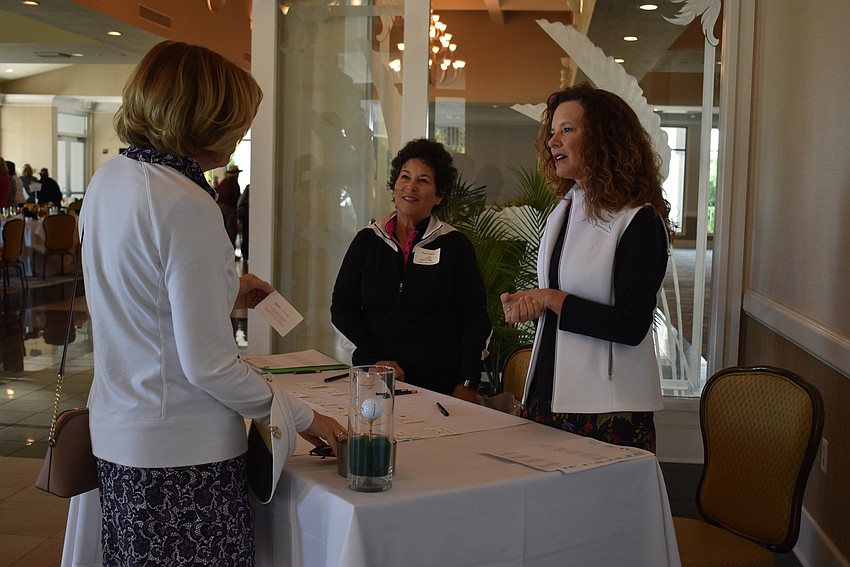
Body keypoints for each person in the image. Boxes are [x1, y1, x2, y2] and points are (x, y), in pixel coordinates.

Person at [77, 40, 345, 566]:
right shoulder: (185, 203)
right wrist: (306, 417)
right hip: (183, 452)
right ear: (202, 118)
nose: (242, 132)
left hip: (121, 434)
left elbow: (136, 296)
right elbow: (209, 365)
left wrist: (223, 290)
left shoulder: (111, 178)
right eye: (236, 120)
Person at [500, 84, 673, 453]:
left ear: (602, 138)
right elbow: (564, 306)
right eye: (552, 133)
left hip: (608, 410)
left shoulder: (639, 221)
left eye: (567, 130)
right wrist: (533, 305)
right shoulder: (564, 209)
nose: (552, 143)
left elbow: (630, 326)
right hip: (548, 396)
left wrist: (552, 298)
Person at [331, 138, 491, 402]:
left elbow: (475, 318)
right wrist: (374, 360)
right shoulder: (367, 241)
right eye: (405, 177)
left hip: (442, 390)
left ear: (439, 195)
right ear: (395, 185)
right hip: (375, 385)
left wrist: (468, 381)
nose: (411, 187)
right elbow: (342, 308)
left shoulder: (455, 245)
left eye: (424, 180)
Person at [217, 164, 241, 252]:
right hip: (230, 208)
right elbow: (236, 197)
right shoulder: (234, 183)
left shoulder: (223, 182)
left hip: (220, 207)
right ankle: (231, 253)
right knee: (231, 231)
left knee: (224, 231)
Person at [237, 183, 250, 262]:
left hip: (246, 217)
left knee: (245, 236)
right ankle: (245, 255)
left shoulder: (248, 188)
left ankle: (245, 256)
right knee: (246, 236)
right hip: (247, 217)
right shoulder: (249, 188)